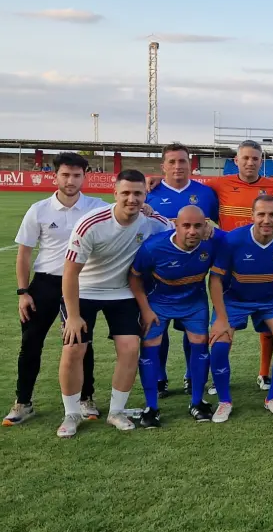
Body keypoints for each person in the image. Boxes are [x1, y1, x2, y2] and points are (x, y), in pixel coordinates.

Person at [57, 169, 173, 438]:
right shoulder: (92, 223)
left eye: (138, 194)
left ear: (146, 195)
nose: (132, 199)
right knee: (74, 349)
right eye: (126, 193)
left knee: (130, 348)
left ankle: (116, 411)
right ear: (115, 194)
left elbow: (177, 234)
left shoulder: (152, 220)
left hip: (122, 292)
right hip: (84, 290)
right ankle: (71, 413)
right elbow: (70, 272)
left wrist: (209, 234)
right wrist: (73, 316)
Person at [4, 152, 105, 427]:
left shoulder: (98, 207)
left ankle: (86, 399)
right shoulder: (39, 209)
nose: (70, 180)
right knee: (30, 343)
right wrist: (23, 292)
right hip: (45, 284)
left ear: (86, 176)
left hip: (83, 285)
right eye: (65, 174)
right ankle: (23, 402)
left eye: (76, 175)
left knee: (82, 345)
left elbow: (127, 213)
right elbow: (24, 254)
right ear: (55, 175)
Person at [208, 195, 273, 422]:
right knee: (220, 344)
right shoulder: (232, 240)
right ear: (252, 216)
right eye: (261, 214)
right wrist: (221, 318)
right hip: (234, 298)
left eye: (272, 214)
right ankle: (224, 401)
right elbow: (214, 281)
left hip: (271, 298)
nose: (266, 220)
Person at [129, 205, 223, 424]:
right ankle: (151, 407)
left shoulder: (212, 244)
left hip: (194, 301)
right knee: (150, 346)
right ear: (176, 226)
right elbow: (134, 277)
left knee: (200, 343)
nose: (192, 231)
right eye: (186, 226)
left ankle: (197, 402)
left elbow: (239, 239)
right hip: (158, 302)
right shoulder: (153, 247)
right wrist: (145, 309)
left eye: (198, 226)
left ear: (205, 226)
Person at [144, 143, 219, 398]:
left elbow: (217, 227)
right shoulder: (148, 192)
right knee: (157, 329)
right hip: (156, 276)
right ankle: (160, 377)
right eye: (172, 162)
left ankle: (191, 376)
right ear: (163, 166)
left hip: (192, 274)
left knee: (193, 329)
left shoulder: (206, 194)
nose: (178, 166)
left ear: (191, 164)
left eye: (183, 161)